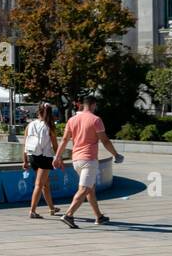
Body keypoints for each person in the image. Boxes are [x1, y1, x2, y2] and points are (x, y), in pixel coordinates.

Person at [53, 95, 124, 229]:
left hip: (76, 160)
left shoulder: (72, 120)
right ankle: (69, 214)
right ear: (93, 105)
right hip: (89, 159)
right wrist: (116, 155)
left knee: (90, 189)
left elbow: (63, 140)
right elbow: (105, 141)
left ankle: (99, 216)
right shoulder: (96, 120)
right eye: (95, 106)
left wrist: (57, 157)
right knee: (85, 188)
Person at [22, 102, 60, 219]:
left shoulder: (30, 125)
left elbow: (25, 144)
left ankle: (52, 208)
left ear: (38, 112)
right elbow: (55, 145)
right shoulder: (50, 126)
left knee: (45, 184)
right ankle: (32, 211)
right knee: (39, 184)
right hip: (44, 158)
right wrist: (59, 158)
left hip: (32, 156)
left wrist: (25, 160)